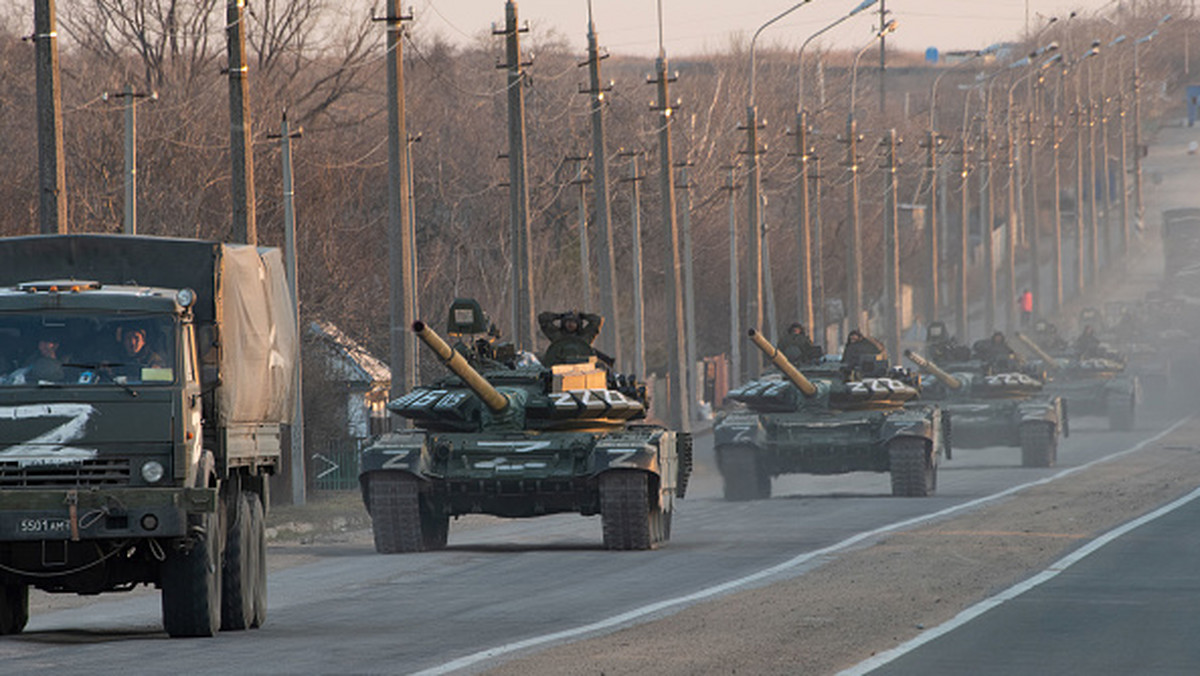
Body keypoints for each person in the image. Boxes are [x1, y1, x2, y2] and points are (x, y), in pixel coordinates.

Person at [538, 310, 603, 367]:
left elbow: (597, 320)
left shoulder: (584, 337)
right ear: (563, 323)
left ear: (578, 324)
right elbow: (543, 319)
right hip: (559, 366)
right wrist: (559, 316)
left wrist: (583, 315)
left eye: (573, 322)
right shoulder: (558, 336)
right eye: (568, 322)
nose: (570, 324)